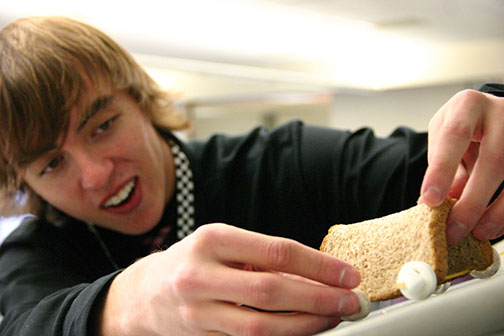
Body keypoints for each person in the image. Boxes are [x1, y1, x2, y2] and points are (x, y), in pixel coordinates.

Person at [0, 16, 502, 336]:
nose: (95, 174)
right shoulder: (36, 251)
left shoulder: (288, 162)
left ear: (138, 98)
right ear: (23, 183)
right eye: (51, 164)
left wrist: (489, 127)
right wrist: (124, 305)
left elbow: (450, 169)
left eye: (103, 126)